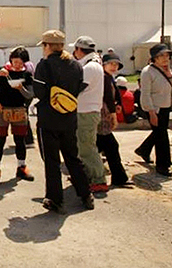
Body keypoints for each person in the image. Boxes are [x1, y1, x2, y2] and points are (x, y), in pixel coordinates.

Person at [34, 30, 94, 213]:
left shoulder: (44, 65)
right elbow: (78, 88)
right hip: (69, 118)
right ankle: (85, 194)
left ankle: (55, 199)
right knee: (72, 158)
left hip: (48, 119)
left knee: (52, 161)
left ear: (47, 46)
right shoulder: (75, 65)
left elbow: (39, 92)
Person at [0, 47, 35, 184]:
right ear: (11, 60)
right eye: (15, 62)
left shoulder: (27, 75)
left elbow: (31, 94)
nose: (17, 65)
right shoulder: (3, 70)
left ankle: (21, 167)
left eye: (21, 63)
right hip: (1, 110)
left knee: (20, 140)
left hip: (19, 111)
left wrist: (21, 88)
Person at [71, 36, 108, 194]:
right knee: (83, 145)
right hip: (86, 111)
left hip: (86, 112)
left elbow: (78, 88)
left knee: (87, 147)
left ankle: (98, 179)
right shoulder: (92, 64)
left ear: (79, 50)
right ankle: (88, 175)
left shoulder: (90, 67)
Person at [134, 43, 172, 176]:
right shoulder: (147, 72)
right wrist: (151, 112)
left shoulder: (167, 69)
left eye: (167, 55)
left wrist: (169, 74)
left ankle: (143, 150)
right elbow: (145, 93)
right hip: (154, 107)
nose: (165, 58)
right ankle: (163, 165)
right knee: (162, 136)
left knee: (159, 132)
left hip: (165, 106)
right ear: (154, 58)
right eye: (161, 56)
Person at [96, 54, 130, 186]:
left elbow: (114, 95)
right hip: (103, 116)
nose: (114, 67)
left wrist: (118, 105)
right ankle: (119, 178)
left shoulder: (109, 77)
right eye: (111, 64)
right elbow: (108, 97)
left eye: (116, 64)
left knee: (103, 147)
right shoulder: (103, 77)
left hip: (105, 116)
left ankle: (119, 178)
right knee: (110, 147)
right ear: (103, 64)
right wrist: (113, 114)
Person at [16, 46, 36, 145]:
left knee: (23, 115)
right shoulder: (30, 64)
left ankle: (28, 139)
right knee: (25, 114)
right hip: (30, 91)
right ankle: (28, 138)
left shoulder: (26, 67)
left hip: (27, 91)